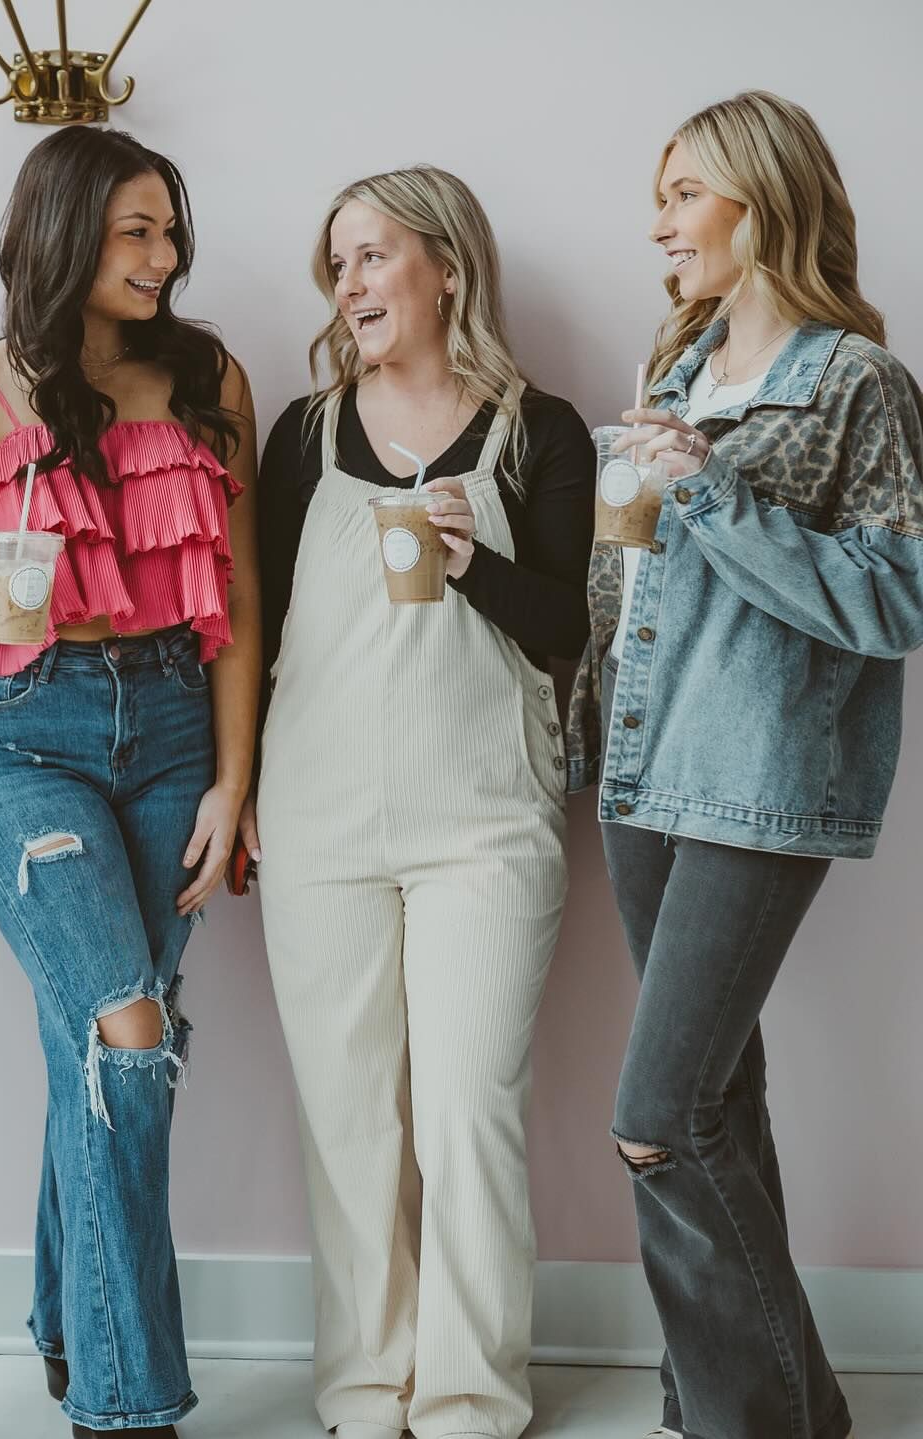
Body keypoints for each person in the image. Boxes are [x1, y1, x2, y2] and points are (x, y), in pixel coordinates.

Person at [574, 89, 923, 1439]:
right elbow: (634, 593)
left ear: (759, 200)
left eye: (682, 193)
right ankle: (733, 1401)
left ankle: (766, 1417)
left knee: (658, 1113)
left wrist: (710, 487)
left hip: (755, 779)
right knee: (720, 1095)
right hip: (641, 775)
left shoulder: (857, 385)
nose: (658, 221)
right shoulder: (674, 376)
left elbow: (894, 601)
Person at [0, 125, 260, 1438]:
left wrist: (237, 775)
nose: (162, 256)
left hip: (175, 722)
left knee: (107, 1048)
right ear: (60, 231)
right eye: (134, 229)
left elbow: (238, 593)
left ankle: (67, 1316)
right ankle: (129, 1402)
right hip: (22, 732)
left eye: (171, 228)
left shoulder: (212, 374)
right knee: (128, 1035)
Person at [250, 165, 594, 1439]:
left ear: (447, 265)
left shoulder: (539, 430)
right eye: (335, 263)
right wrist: (240, 788)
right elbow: (261, 630)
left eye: (373, 254)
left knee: (465, 1114)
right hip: (320, 822)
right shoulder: (300, 434)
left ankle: (466, 1396)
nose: (349, 283)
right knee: (348, 1122)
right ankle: (362, 1384)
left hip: (486, 825)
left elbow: (572, 628)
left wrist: (473, 560)